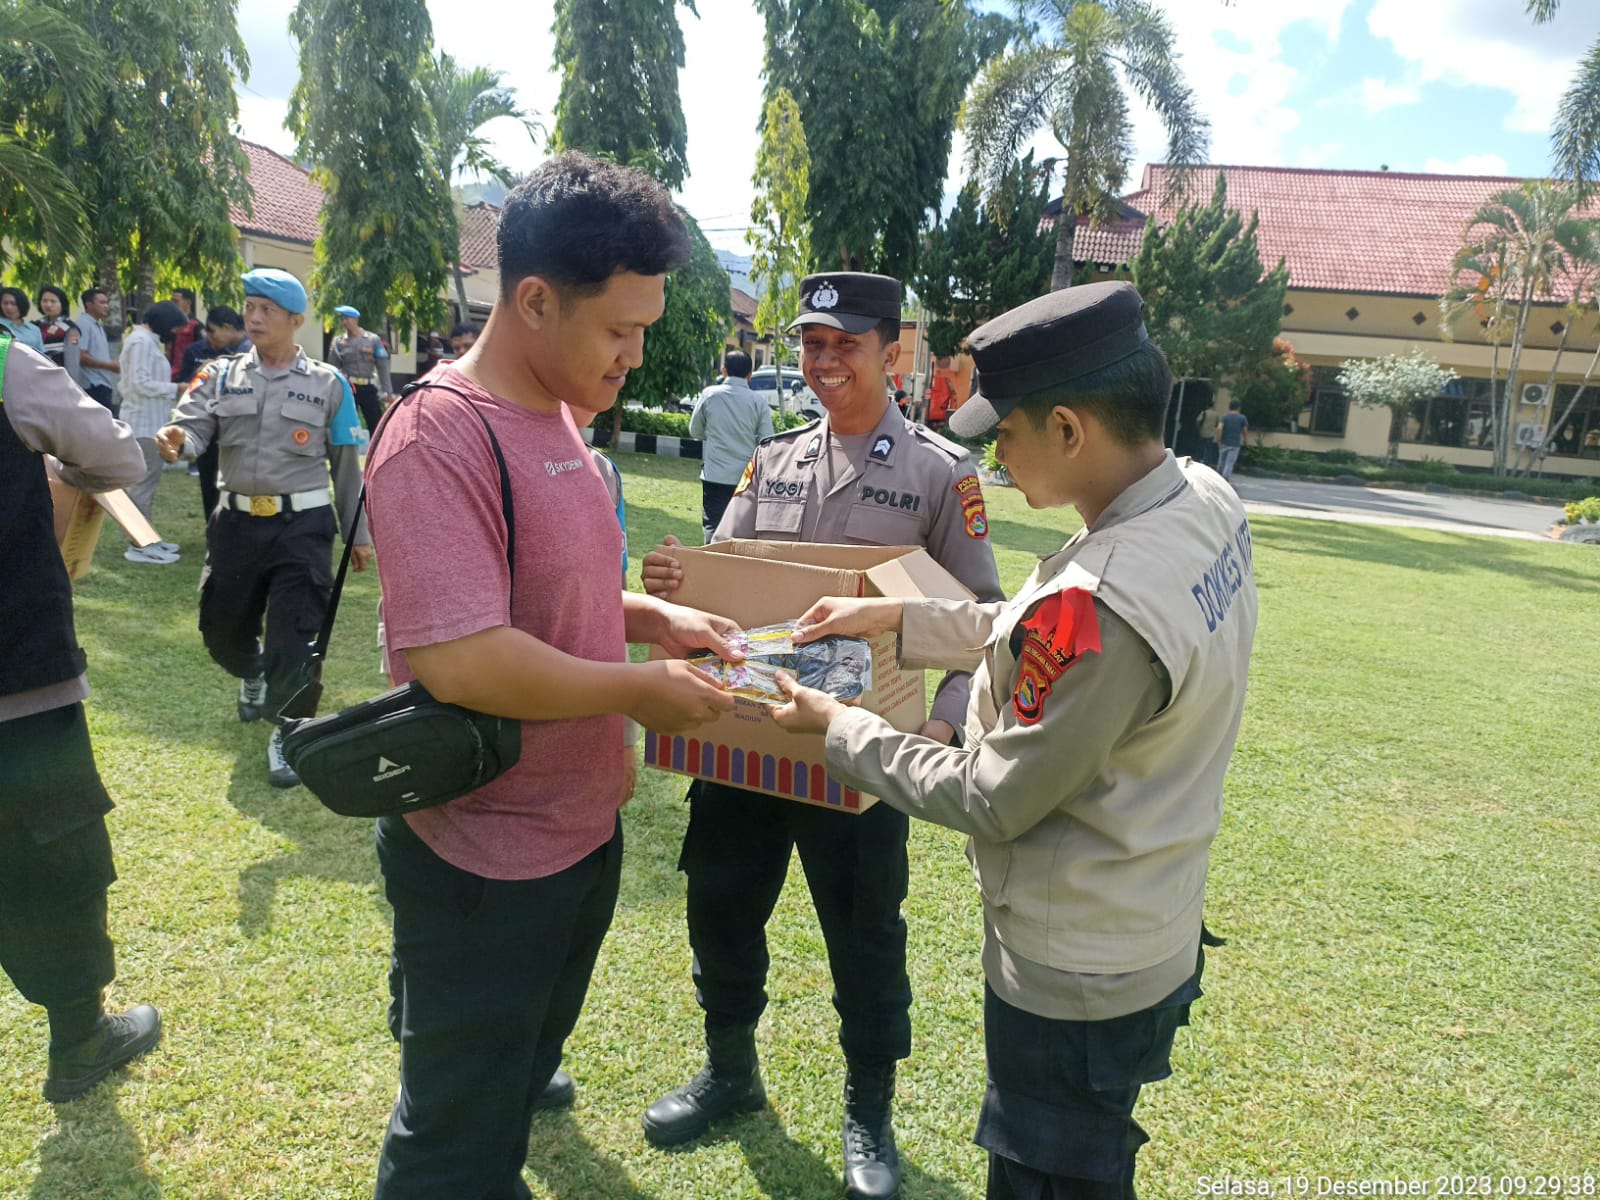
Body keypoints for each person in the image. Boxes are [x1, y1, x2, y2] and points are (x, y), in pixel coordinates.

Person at [769, 281, 1259, 1200]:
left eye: (1004, 434)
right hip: (1148, 918)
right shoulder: (1197, 498)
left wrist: (841, 726)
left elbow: (994, 795)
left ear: (1069, 430)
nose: (993, 455)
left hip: (1075, 972)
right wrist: (900, 617)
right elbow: (1036, 631)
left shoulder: (1107, 601)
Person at [361, 150, 740, 1200]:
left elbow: (549, 599)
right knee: (451, 1137)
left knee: (515, 1080)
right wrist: (632, 689)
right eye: (618, 330)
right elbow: (461, 653)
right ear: (533, 300)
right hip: (485, 859)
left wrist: (652, 616)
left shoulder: (560, 418)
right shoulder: (438, 438)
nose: (632, 355)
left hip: (576, 831)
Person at [639, 272, 1004, 1200]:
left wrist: (941, 720)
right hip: (751, 737)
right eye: (810, 343)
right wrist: (678, 581)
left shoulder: (937, 473)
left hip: (855, 750)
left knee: (864, 937)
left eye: (845, 343)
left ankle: (868, 1115)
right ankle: (731, 1073)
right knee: (719, 908)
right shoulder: (774, 461)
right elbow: (726, 575)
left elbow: (984, 619)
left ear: (893, 353)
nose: (823, 360)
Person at [0, 331, 163, 1103]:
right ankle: (80, 1039)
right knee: (54, 858)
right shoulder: (5, 363)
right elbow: (118, 457)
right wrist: (55, 470)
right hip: (17, 676)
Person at [155, 268, 370, 788]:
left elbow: (346, 463)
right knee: (220, 631)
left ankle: (288, 729)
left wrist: (357, 534)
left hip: (303, 524)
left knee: (295, 636)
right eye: (250, 306)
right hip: (235, 523)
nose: (253, 317)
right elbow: (193, 426)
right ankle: (252, 676)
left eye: (267, 310)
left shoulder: (330, 383)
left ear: (296, 321)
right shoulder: (219, 376)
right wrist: (176, 438)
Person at [118, 301, 188, 565]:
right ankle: (139, 545)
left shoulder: (148, 341)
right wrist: (176, 389)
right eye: (175, 327)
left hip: (153, 424)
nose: (176, 333)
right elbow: (139, 384)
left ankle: (149, 538)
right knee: (142, 486)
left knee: (149, 482)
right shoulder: (139, 342)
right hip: (142, 424)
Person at [687, 349, 771, 541]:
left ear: (724, 372)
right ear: (750, 375)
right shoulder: (758, 402)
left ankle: (711, 564)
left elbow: (695, 431)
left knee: (712, 526)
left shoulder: (709, 395)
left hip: (714, 473)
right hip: (746, 477)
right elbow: (767, 440)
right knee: (741, 530)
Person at [176, 305, 251, 521]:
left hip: (237, 433)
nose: (208, 336)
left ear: (227, 327)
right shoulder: (202, 352)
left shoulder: (252, 351)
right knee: (210, 483)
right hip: (210, 429)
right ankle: (215, 528)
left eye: (211, 330)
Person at [327, 304, 394, 432]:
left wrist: (388, 392)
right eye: (342, 319)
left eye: (347, 318)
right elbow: (332, 368)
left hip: (368, 387)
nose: (344, 322)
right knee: (346, 424)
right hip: (348, 388)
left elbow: (382, 367)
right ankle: (350, 451)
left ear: (355, 320)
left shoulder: (372, 340)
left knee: (376, 425)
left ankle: (376, 451)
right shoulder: (338, 342)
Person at [74, 289, 121, 416]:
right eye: (102, 302)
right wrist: (109, 366)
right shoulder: (83, 324)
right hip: (92, 385)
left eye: (106, 302)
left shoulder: (96, 325)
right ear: (89, 304)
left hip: (103, 382)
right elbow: (80, 355)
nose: (106, 306)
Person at [33, 286, 80, 374]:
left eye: (53, 301)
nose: (48, 305)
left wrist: (70, 383)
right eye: (44, 301)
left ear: (62, 304)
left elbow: (72, 360)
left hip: (59, 377)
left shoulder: (70, 329)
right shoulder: (35, 326)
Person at [167, 288, 202, 379]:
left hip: (187, 376)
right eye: (172, 301)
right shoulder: (170, 324)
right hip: (170, 375)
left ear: (188, 302)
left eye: (176, 301)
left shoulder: (196, 325)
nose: (173, 304)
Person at [1, 286, 46, 353]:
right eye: (5, 303)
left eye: (13, 304)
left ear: (22, 304)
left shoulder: (34, 329)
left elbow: (42, 354)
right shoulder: (1, 326)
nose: (9, 307)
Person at [1216, 398, 1248, 481]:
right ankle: (1225, 478)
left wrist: (1219, 440)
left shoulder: (1224, 417)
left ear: (1229, 407)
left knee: (1221, 461)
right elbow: (1244, 430)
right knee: (1229, 462)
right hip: (1235, 443)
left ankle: (1218, 476)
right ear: (1238, 407)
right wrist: (1245, 441)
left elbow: (1219, 428)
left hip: (1224, 442)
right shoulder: (1242, 418)